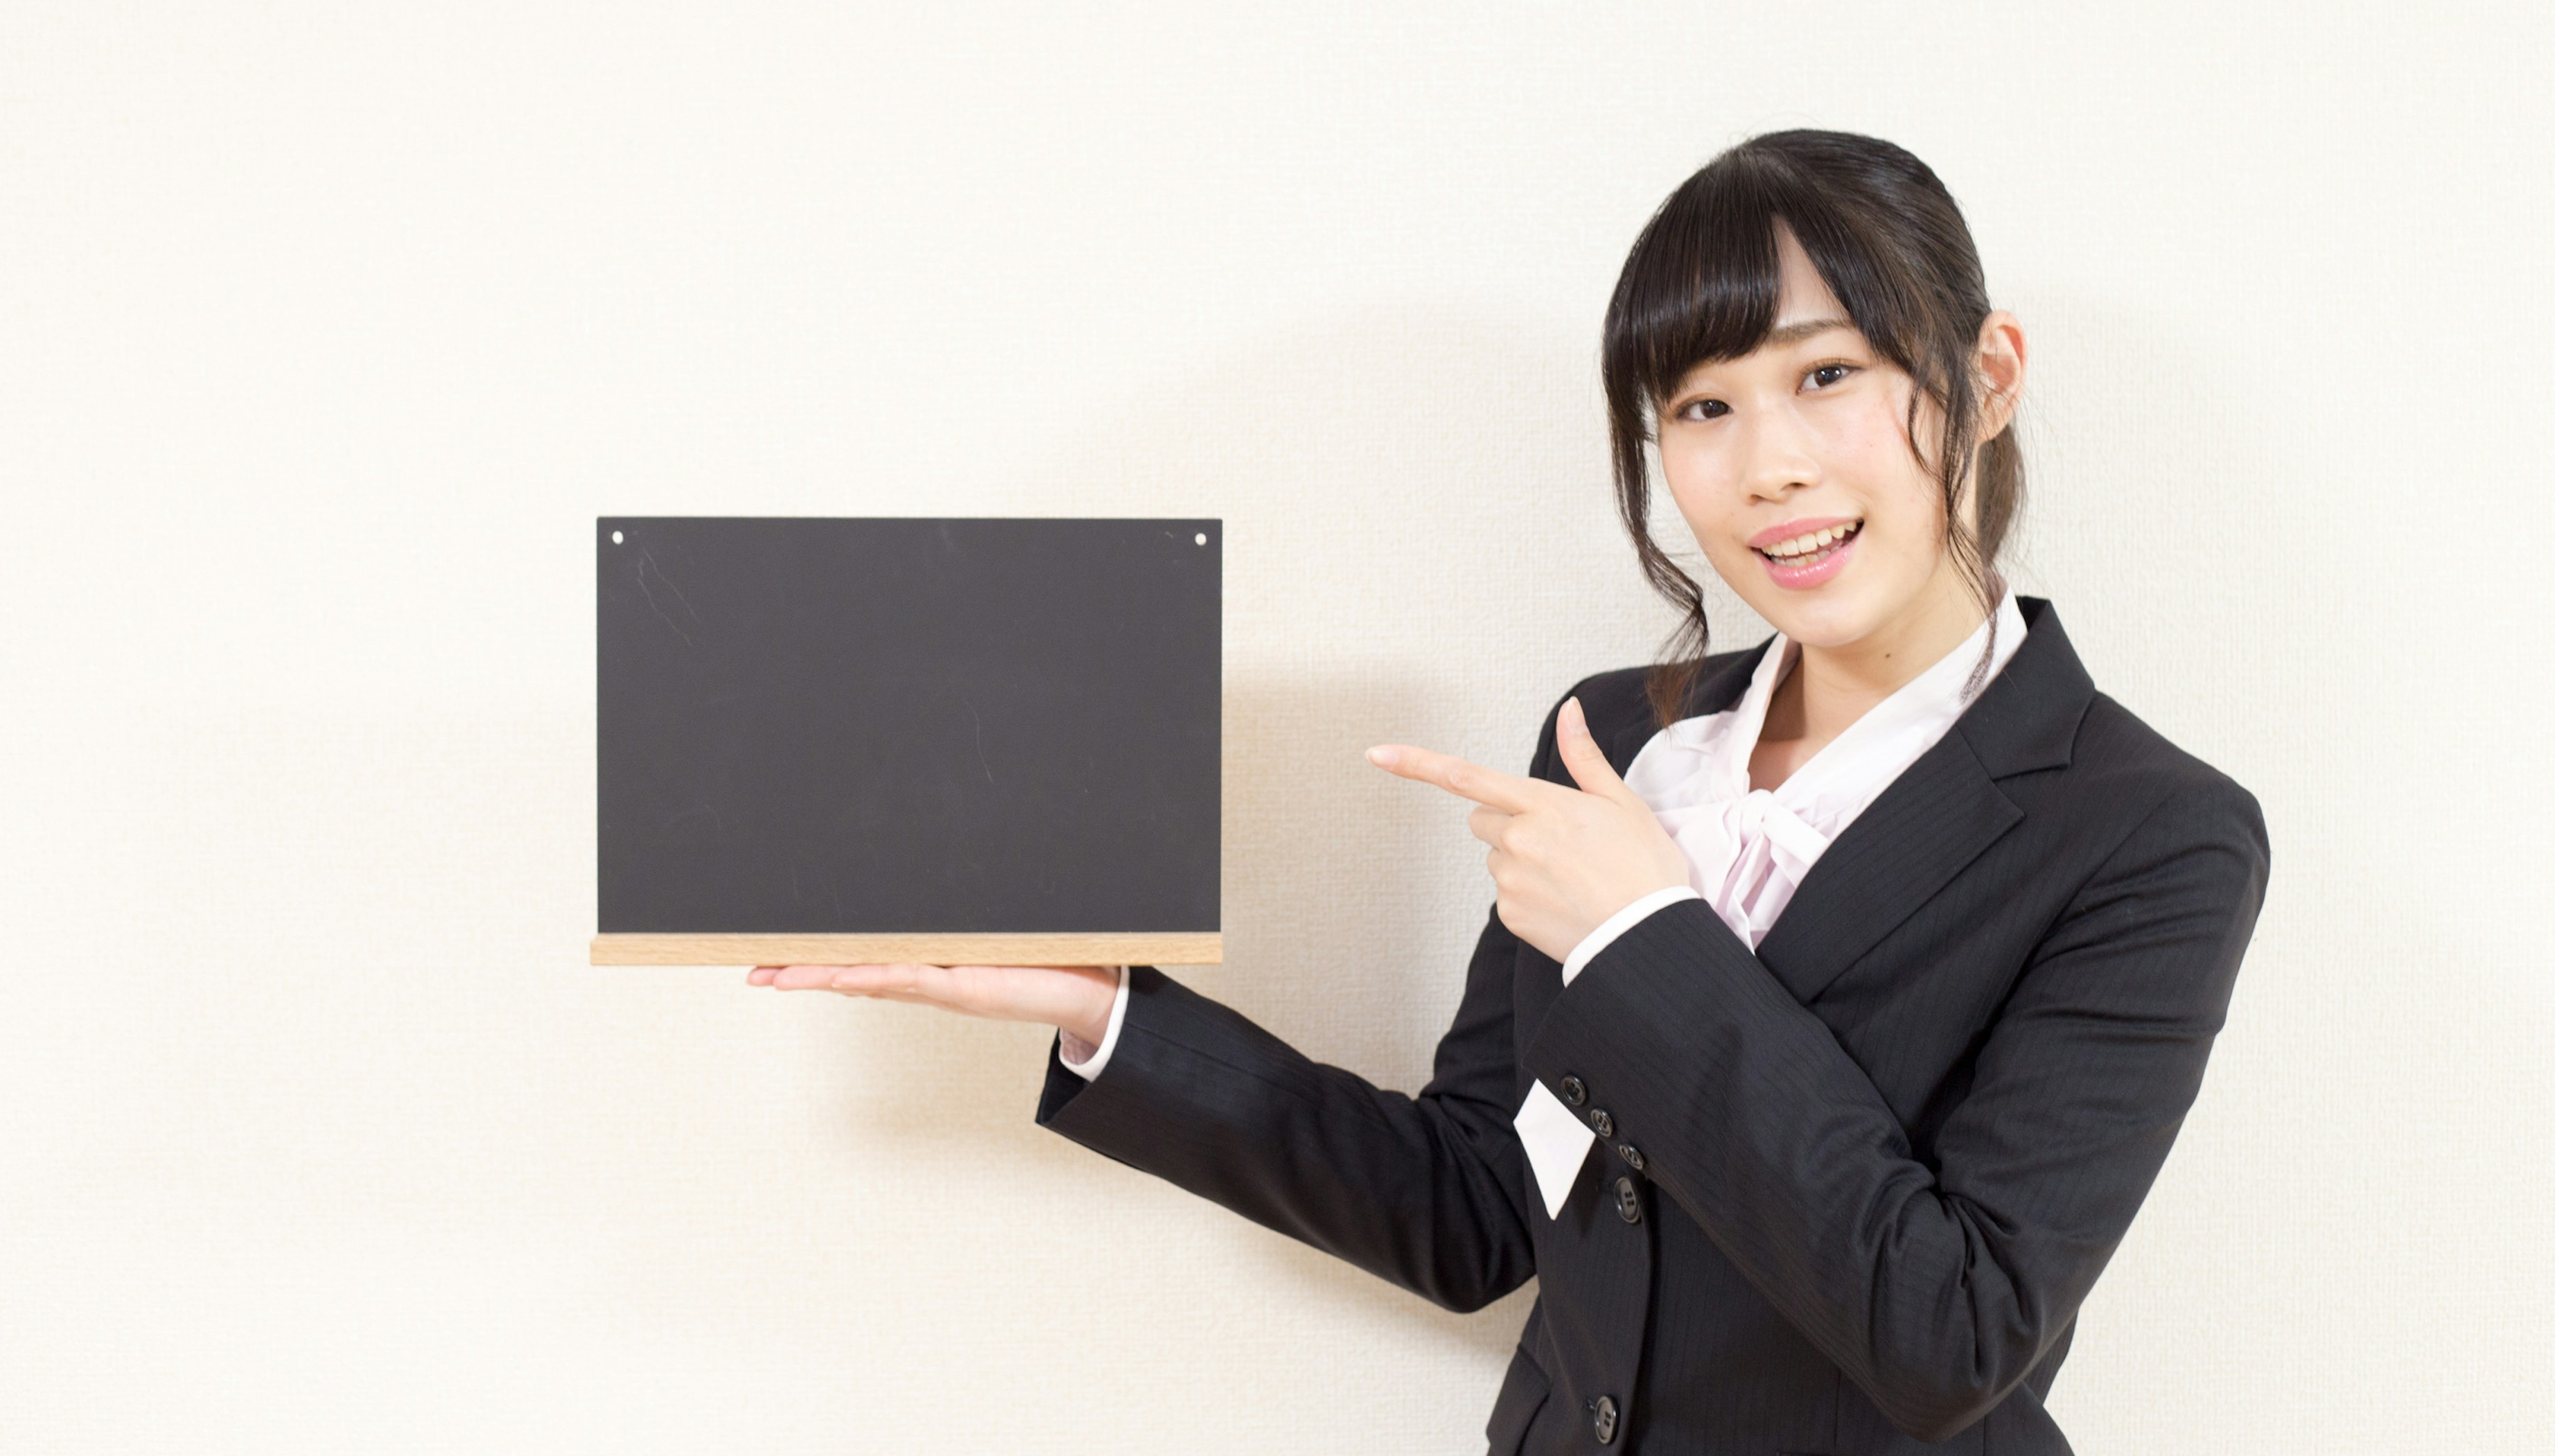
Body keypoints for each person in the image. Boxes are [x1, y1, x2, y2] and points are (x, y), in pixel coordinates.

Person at [750, 129, 2268, 1454]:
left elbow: (1952, 1331)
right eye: (1702, 407)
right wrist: (1105, 1009)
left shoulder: (2149, 830)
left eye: (1828, 374)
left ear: (1984, 375)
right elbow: (1480, 1203)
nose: (1769, 468)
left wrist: (1645, 940)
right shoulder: (1618, 740)